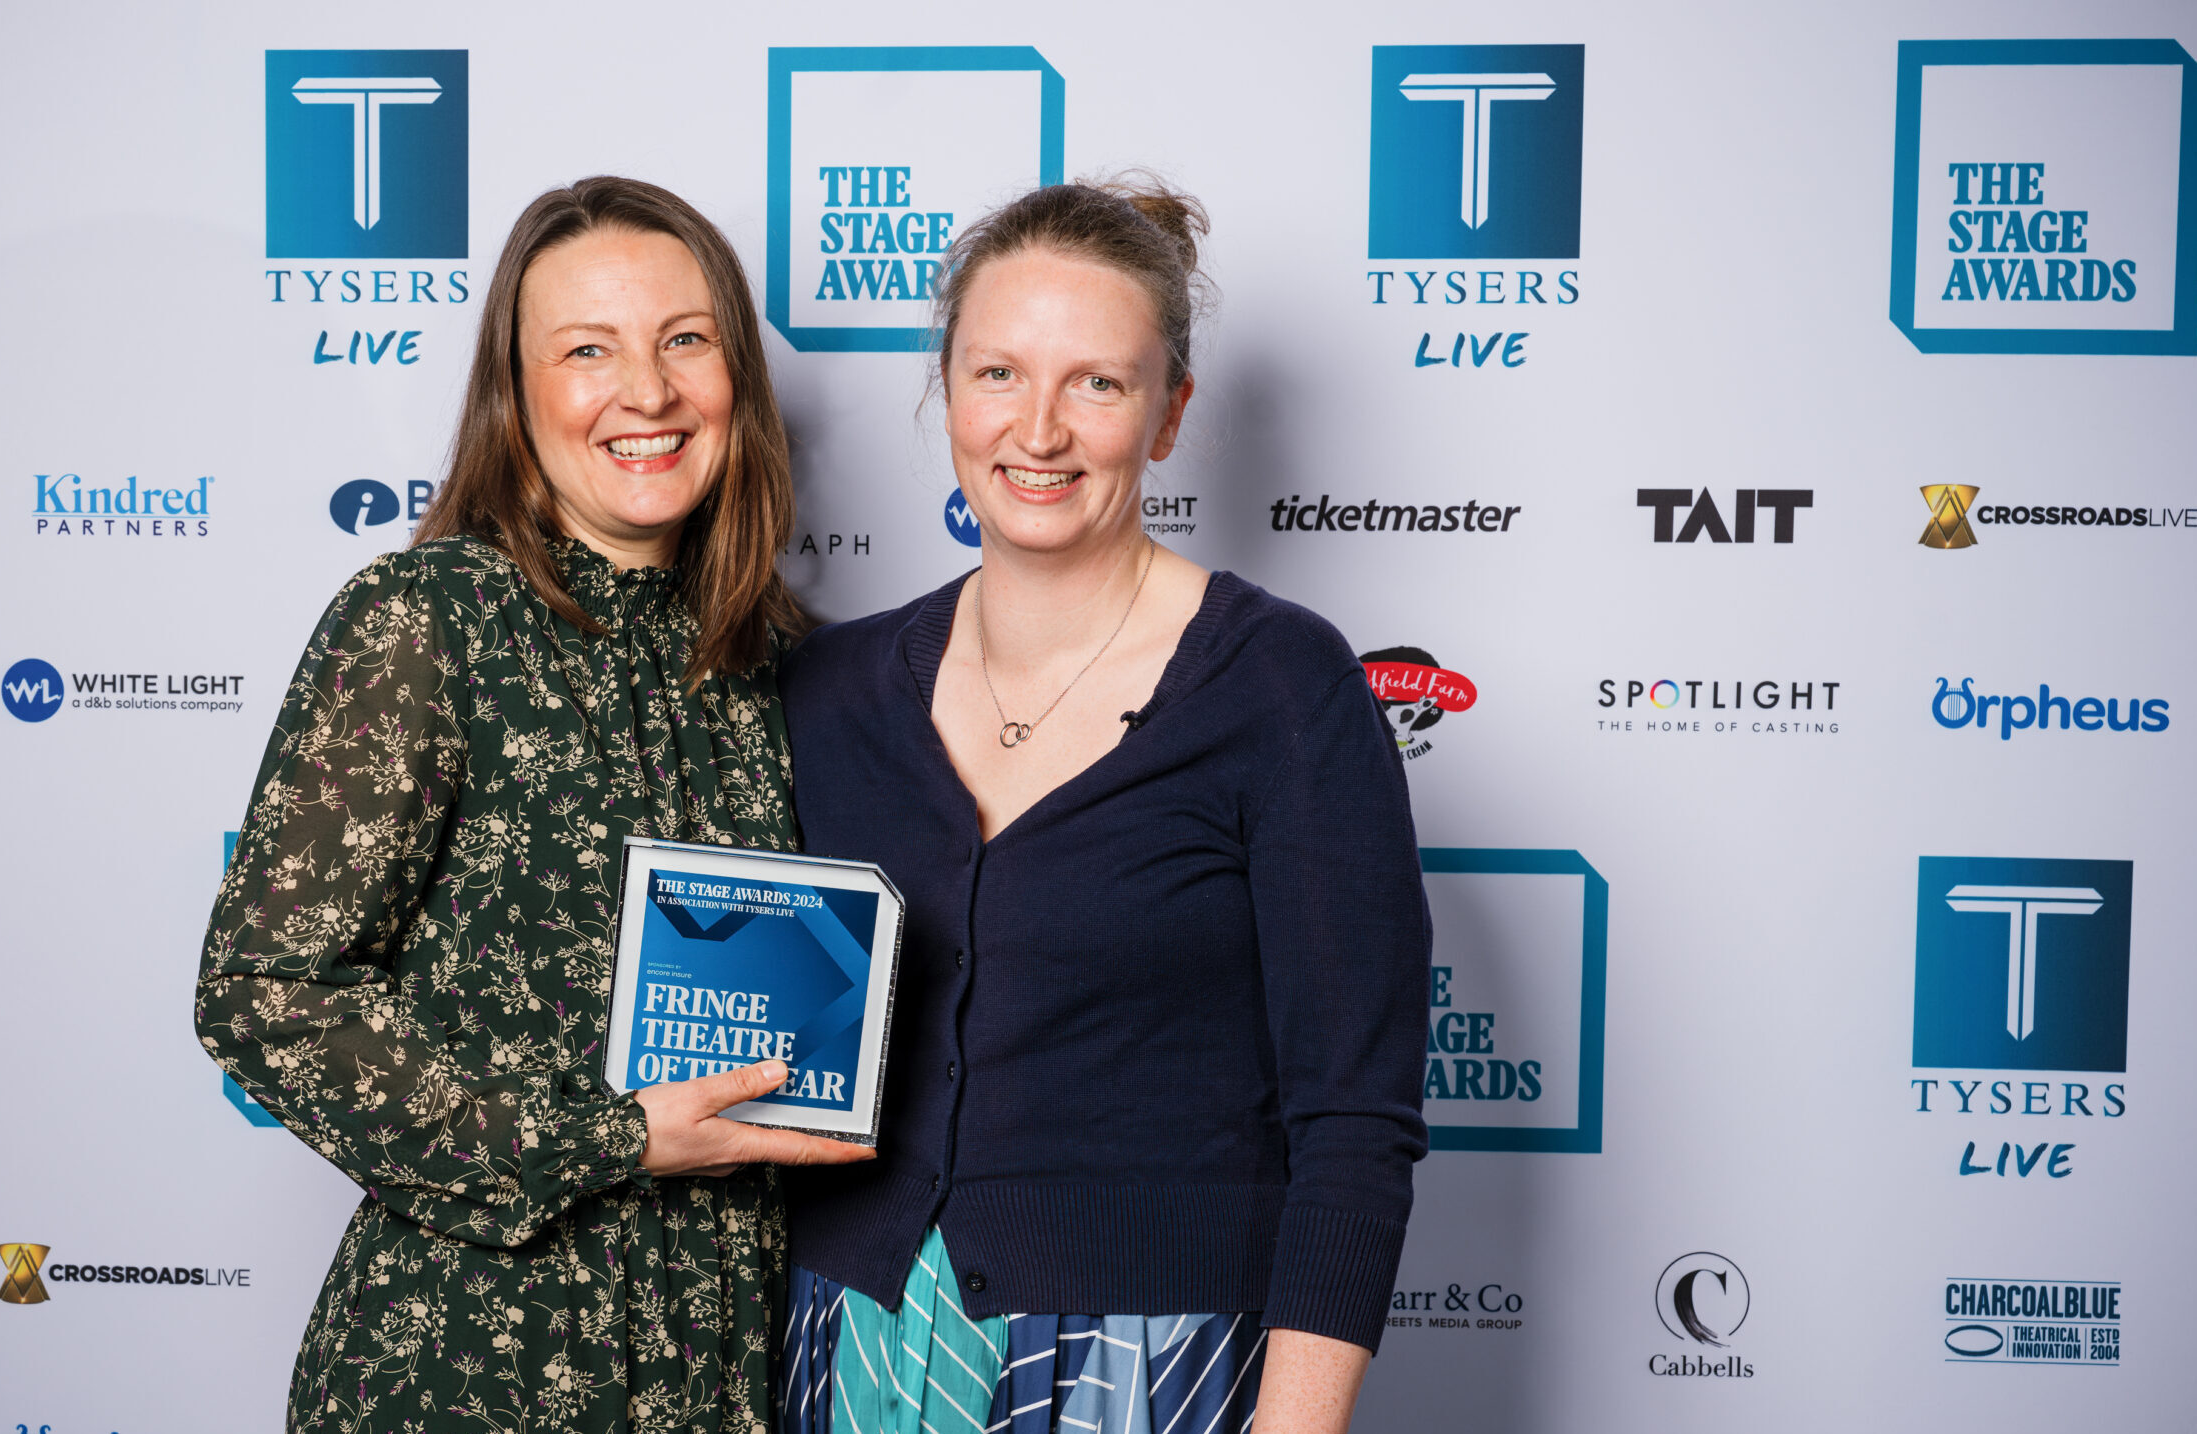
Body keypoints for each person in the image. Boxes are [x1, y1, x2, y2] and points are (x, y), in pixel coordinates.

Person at [196, 175, 872, 1434]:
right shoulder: (426, 621)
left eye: (686, 340)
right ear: (518, 393)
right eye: (588, 351)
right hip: (470, 1360)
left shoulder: (783, 665)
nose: (649, 393)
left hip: (719, 1360)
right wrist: (599, 1141)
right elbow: (260, 991)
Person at [776, 178, 1431, 1434]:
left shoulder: (1280, 683)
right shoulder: (831, 688)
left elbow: (1355, 1122)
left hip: (1154, 1364)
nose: (1040, 429)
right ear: (946, 393)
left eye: (1098, 383)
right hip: (849, 1344)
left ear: (1169, 413)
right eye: (999, 375)